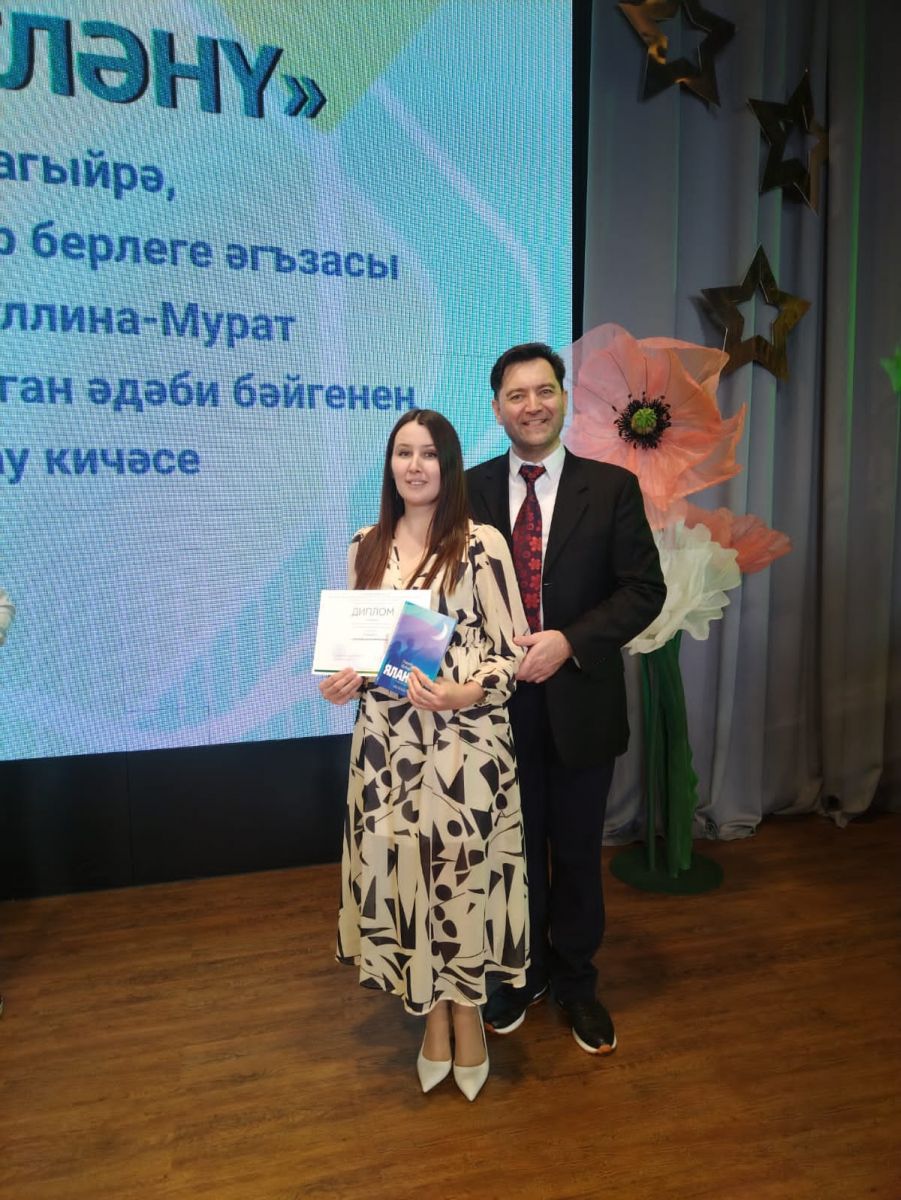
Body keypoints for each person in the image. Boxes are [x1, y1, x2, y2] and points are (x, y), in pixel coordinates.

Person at [319, 408, 529, 1100]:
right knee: (408, 880)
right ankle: (430, 1016)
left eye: (429, 453)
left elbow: (509, 657)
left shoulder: (482, 545)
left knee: (461, 882)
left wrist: (465, 691)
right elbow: (355, 657)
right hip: (387, 752)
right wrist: (340, 682)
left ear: (449, 464)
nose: (414, 465)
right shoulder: (365, 545)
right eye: (403, 453)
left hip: (465, 748)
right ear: (389, 465)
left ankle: (467, 1014)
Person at [466, 343, 666, 1055]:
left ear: (563, 398)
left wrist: (569, 641)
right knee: (512, 853)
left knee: (577, 851)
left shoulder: (610, 488)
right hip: (491, 710)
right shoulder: (468, 490)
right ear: (497, 408)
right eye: (516, 395)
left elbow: (643, 590)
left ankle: (578, 981)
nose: (532, 405)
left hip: (580, 700)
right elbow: (435, 590)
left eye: (544, 390)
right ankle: (521, 974)